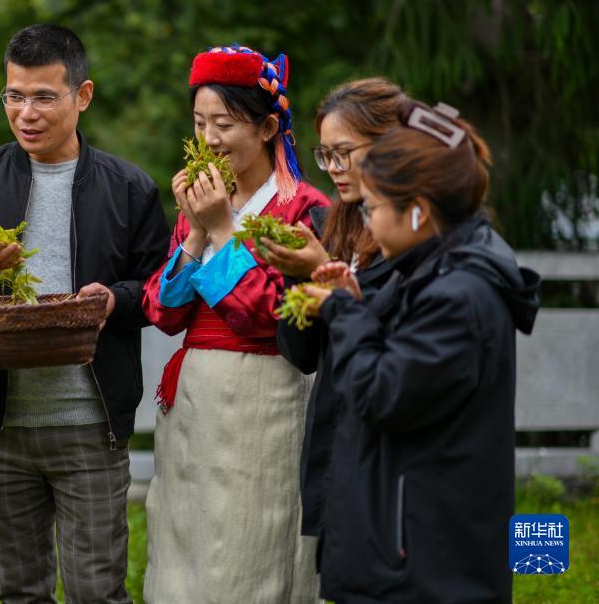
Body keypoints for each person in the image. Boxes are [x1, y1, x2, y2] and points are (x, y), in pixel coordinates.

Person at [0, 23, 169, 603]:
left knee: (96, 591)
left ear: (83, 96)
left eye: (44, 97)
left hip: (90, 422)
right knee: (20, 591)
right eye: (14, 95)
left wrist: (114, 300)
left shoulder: (128, 187)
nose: (26, 113)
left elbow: (159, 289)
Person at [301, 100, 539, 602]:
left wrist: (344, 313)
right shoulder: (434, 273)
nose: (367, 222)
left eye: (373, 208)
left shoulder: (457, 294)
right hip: (409, 550)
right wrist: (355, 304)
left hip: (424, 565)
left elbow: (381, 394)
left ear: (418, 210)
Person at [141, 44, 329, 603]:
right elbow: (163, 312)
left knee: (252, 538)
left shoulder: (302, 208)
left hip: (266, 394)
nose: (209, 139)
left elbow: (267, 317)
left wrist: (222, 229)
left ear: (268, 127)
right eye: (199, 123)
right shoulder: (203, 205)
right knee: (187, 534)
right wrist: (198, 231)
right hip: (195, 396)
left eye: (223, 124)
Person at [270, 78, 407, 560]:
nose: (333, 168)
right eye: (326, 155)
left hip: (391, 442)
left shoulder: (414, 238)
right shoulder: (330, 226)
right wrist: (298, 275)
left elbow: (398, 340)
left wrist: (323, 275)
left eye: (344, 153)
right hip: (337, 432)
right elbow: (302, 353)